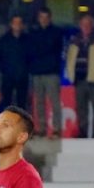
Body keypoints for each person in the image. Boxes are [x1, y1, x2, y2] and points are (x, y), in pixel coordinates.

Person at [66, 15, 94, 139]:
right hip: (79, 79)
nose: (86, 27)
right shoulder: (74, 40)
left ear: (92, 26)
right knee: (81, 108)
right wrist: (70, 73)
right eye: (83, 24)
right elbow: (69, 57)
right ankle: (83, 132)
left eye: (88, 24)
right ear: (80, 26)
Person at [28, 8, 63, 137]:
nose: (44, 20)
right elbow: (31, 51)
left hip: (51, 72)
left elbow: (52, 48)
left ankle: (57, 128)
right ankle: (41, 128)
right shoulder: (33, 32)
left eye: (46, 17)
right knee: (39, 102)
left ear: (50, 18)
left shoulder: (56, 32)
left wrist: (40, 50)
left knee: (54, 101)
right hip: (37, 72)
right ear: (38, 18)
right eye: (41, 17)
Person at [0, 15, 29, 109]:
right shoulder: (3, 40)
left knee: (22, 102)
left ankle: (21, 118)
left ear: (22, 25)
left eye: (19, 23)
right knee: (6, 102)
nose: (17, 25)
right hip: (8, 76)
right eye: (15, 22)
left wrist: (26, 69)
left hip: (23, 76)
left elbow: (32, 56)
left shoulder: (27, 39)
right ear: (11, 24)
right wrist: (5, 70)